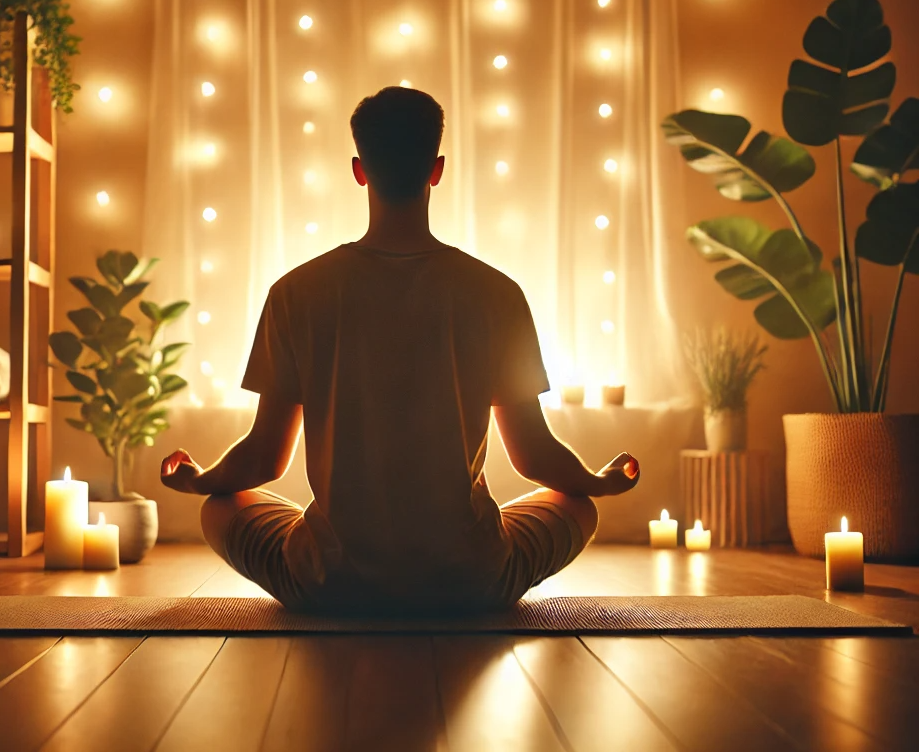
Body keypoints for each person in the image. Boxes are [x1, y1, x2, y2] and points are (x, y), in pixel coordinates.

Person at [161, 86, 639, 614]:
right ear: (436, 170)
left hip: (332, 581)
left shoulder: (296, 292)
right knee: (578, 506)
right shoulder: (497, 293)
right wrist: (598, 481)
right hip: (468, 580)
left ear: (359, 169)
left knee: (219, 509)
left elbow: (264, 459)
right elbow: (534, 457)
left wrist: (202, 478)